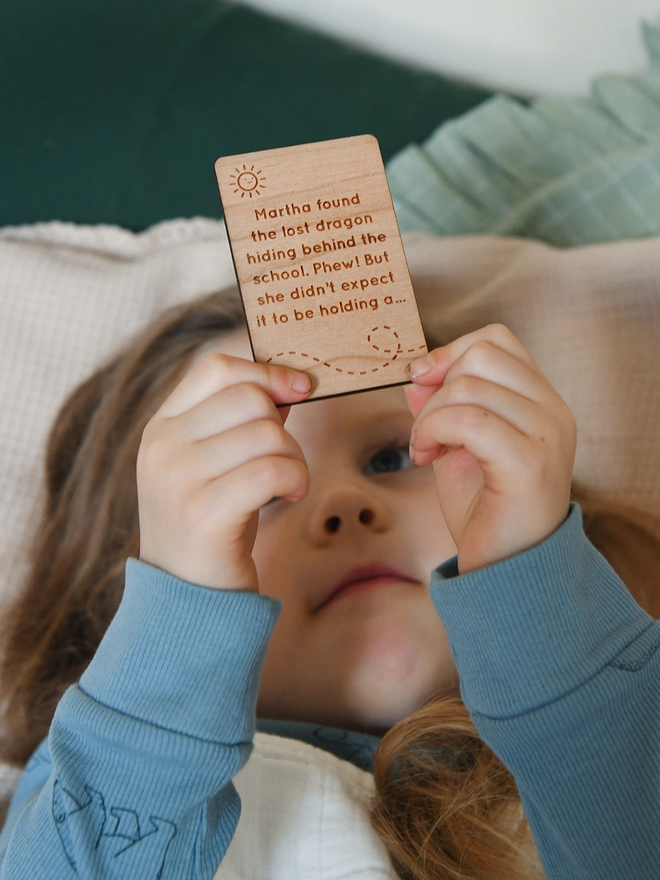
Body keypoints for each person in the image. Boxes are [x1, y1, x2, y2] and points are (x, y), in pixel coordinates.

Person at [0, 288, 658, 879]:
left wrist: (537, 588)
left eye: (392, 457)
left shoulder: (607, 751)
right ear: (124, 608)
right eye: (261, 494)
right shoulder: (81, 803)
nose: (342, 502)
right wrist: (179, 629)